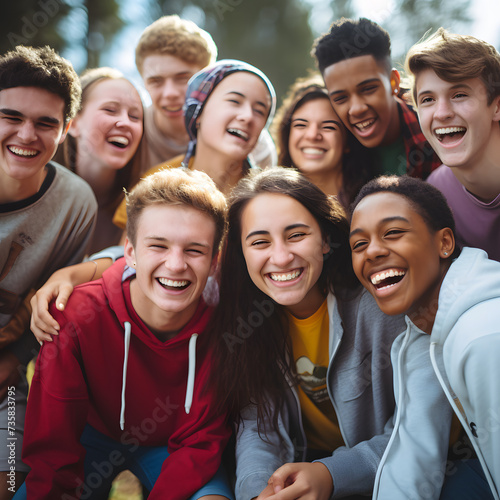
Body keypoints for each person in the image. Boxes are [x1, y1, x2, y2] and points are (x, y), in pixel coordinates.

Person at [17, 168, 234, 499]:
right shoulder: (76, 315)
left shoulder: (227, 326)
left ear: (214, 260)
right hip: (89, 436)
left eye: (194, 250)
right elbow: (53, 442)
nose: (176, 265)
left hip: (173, 446)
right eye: (158, 246)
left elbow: (203, 440)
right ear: (130, 252)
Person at [209, 167, 406, 499]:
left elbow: (418, 427)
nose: (282, 257)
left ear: (326, 240)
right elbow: (258, 426)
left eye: (296, 235)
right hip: (302, 472)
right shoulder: (245, 322)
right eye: (259, 242)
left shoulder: (377, 307)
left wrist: (331, 474)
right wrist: (260, 491)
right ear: (241, 255)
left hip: (384, 478)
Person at [349, 175, 499, 500]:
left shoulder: (484, 334)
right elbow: (414, 458)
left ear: (444, 243)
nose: (372, 251)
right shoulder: (420, 333)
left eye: (393, 233)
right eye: (359, 244)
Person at [0, 45, 97, 498]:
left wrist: (12, 361)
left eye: (45, 123)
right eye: (10, 117)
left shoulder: (75, 202)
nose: (26, 134)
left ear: (66, 129)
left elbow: (52, 301)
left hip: (7, 371)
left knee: (11, 474)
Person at [112, 58, 276, 229]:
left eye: (260, 111)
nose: (248, 116)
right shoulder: (155, 183)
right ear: (198, 113)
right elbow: (127, 252)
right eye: (234, 101)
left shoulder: (266, 198)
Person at [404, 28, 500, 262]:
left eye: (459, 95)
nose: (442, 113)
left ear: (496, 107)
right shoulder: (435, 195)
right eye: (428, 100)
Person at [135, 14, 275, 172]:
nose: (170, 93)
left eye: (183, 79)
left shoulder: (252, 143)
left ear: (210, 79)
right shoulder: (132, 130)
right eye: (156, 81)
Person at [313, 17, 440, 178]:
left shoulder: (437, 133)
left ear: (394, 82)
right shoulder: (332, 147)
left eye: (368, 89)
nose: (357, 109)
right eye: (340, 98)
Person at [58, 67, 144, 254]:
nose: (125, 122)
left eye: (135, 116)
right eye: (110, 110)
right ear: (73, 124)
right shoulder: (39, 193)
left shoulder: (141, 207)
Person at [272, 73, 375, 207]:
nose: (312, 135)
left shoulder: (371, 203)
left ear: (348, 141)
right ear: (287, 136)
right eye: (301, 125)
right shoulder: (271, 202)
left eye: (328, 127)